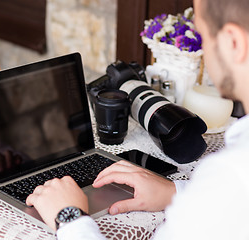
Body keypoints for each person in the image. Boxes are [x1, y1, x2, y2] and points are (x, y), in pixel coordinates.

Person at [26, 0, 249, 238]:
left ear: (233, 43)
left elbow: (233, 189)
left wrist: (70, 218)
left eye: (203, 37)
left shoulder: (231, 173)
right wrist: (177, 192)